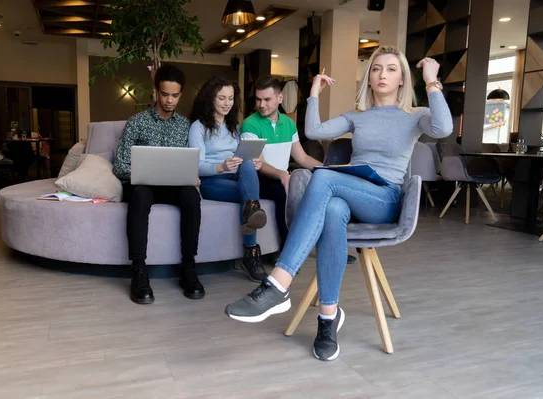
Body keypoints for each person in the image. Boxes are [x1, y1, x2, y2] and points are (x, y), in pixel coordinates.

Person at [225, 46, 453, 361]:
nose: (382, 74)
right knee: (332, 209)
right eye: (375, 69)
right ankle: (328, 319)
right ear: (369, 79)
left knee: (324, 177)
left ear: (402, 79)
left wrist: (432, 82)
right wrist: (314, 93)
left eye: (390, 69)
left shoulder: (416, 116)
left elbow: (444, 129)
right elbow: (313, 131)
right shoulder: (357, 116)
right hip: (351, 193)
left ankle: (278, 284)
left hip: (384, 197)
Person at [113, 64, 203, 304]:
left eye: (175, 95)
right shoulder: (137, 122)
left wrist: (190, 175)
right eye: (165, 94)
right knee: (140, 196)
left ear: (180, 94)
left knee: (192, 197)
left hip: (173, 186)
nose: (170, 100)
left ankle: (188, 267)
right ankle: (139, 271)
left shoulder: (185, 125)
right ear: (156, 91)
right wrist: (142, 173)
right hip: (143, 185)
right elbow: (120, 165)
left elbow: (190, 159)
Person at [188, 76, 268, 282]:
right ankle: (251, 253)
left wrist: (254, 161)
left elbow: (243, 155)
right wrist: (220, 166)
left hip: (237, 176)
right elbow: (195, 165)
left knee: (249, 163)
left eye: (231, 98)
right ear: (210, 99)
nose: (227, 103)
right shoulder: (198, 127)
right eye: (221, 98)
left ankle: (251, 208)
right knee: (250, 199)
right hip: (212, 180)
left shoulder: (234, 126)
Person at [240, 75, 323, 251]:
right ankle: (288, 251)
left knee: (321, 190)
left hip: (282, 177)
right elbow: (259, 164)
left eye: (267, 99)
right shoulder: (250, 124)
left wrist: (327, 170)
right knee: (283, 192)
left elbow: (302, 157)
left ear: (279, 98)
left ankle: (326, 247)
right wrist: (283, 175)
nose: (262, 105)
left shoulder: (289, 124)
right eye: (258, 99)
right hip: (259, 180)